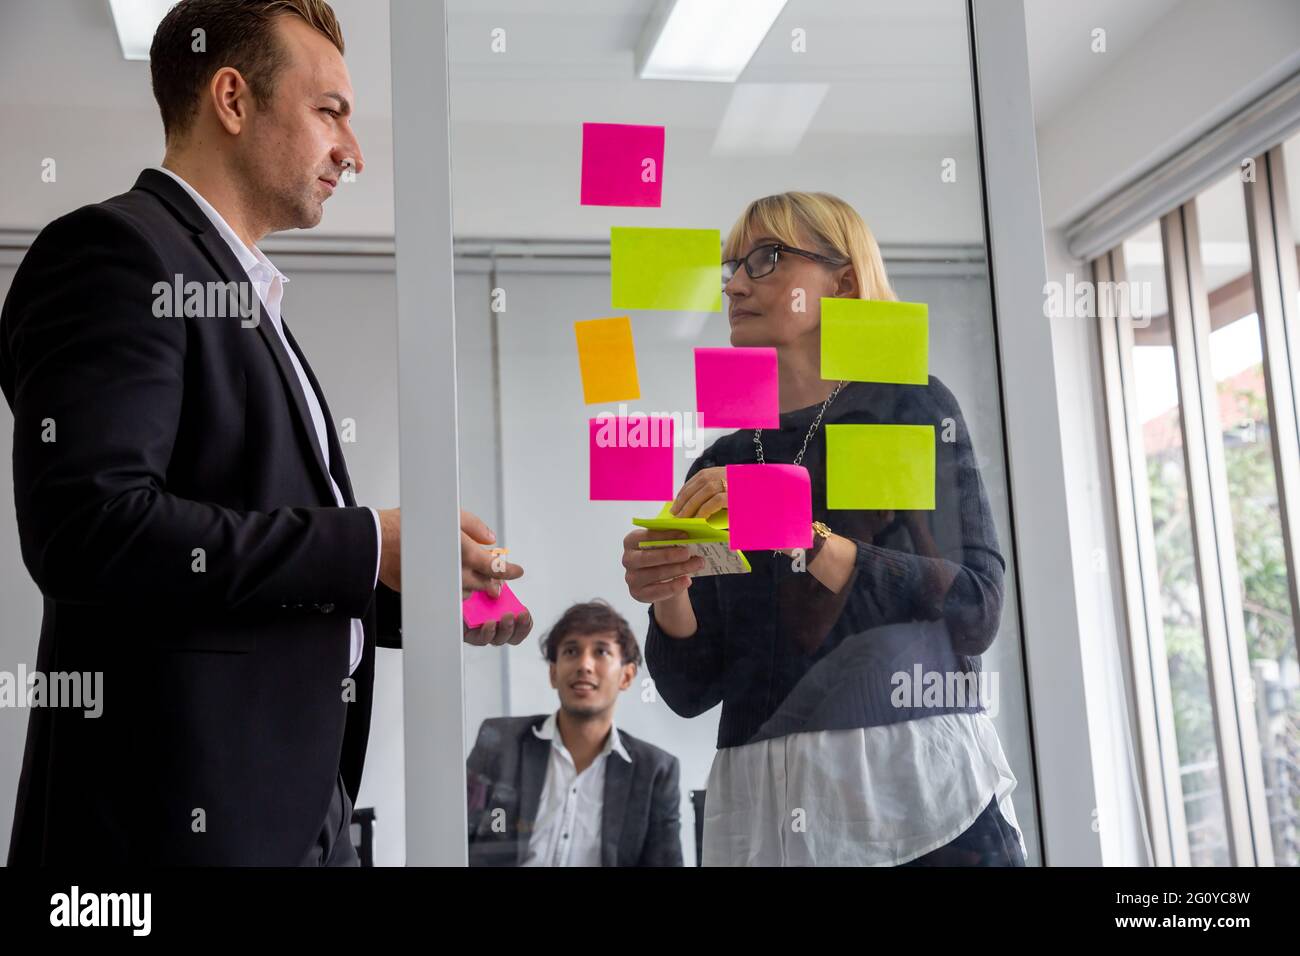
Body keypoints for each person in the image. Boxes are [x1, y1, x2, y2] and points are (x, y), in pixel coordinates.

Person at [0, 0, 529, 866]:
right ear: (234, 101)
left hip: (290, 814)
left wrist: (417, 592)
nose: (352, 153)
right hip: (165, 830)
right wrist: (368, 543)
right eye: (330, 113)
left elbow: (239, 557)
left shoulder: (236, 293)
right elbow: (90, 530)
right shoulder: (115, 254)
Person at [621, 191, 1026, 866]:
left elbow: (973, 609)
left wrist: (800, 533)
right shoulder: (726, 457)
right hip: (769, 813)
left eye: (766, 259)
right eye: (731, 265)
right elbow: (693, 690)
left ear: (840, 282)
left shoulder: (909, 406)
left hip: (919, 799)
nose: (734, 282)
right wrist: (669, 589)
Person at [467, 601, 683, 866]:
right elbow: (449, 837)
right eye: (571, 651)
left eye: (601, 652)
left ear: (627, 676)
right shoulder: (501, 742)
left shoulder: (655, 771)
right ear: (554, 672)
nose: (585, 665)